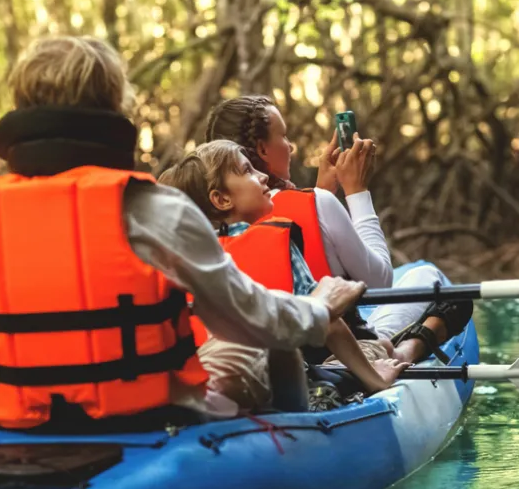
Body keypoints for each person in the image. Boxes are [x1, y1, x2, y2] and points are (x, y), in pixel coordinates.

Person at [0, 36, 366, 429]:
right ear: (114, 107)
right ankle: (301, 438)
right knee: (272, 340)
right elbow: (253, 319)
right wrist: (319, 307)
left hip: (19, 421)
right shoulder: (152, 208)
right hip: (145, 418)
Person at [203, 95, 473, 365]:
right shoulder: (317, 203)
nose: (291, 146)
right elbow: (381, 282)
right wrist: (357, 190)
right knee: (428, 275)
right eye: (283, 136)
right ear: (262, 149)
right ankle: (402, 350)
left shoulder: (211, 223)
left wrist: (321, 193)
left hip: (265, 354)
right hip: (333, 349)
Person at [158, 141, 410, 397]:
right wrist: (375, 380)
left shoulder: (185, 260)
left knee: (378, 347)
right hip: (293, 384)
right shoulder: (273, 239)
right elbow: (329, 324)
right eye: (248, 171)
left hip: (217, 385)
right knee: (381, 345)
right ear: (221, 199)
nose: (263, 175)